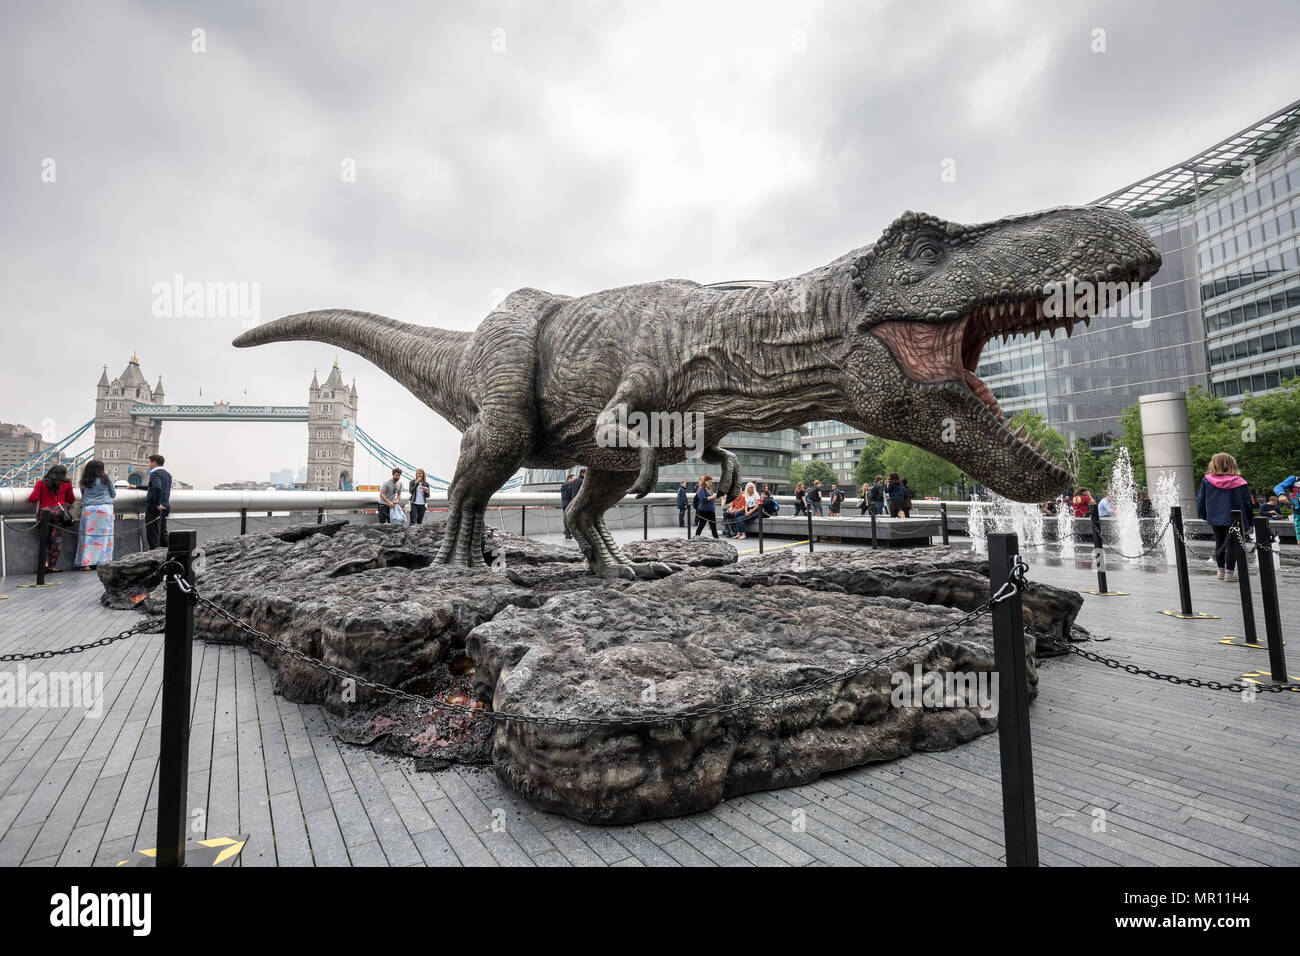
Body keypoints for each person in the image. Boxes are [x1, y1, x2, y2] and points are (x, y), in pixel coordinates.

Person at [1197, 452, 1253, 582]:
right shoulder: (1239, 481)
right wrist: (1249, 520)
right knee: (1233, 545)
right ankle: (1230, 573)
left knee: (1219, 543)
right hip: (1235, 518)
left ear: (1214, 464)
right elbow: (1247, 503)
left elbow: (1201, 500)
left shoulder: (1207, 480)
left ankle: (1220, 571)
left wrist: (1204, 515)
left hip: (1215, 517)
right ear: (1232, 464)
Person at [27, 464, 75, 572]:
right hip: (58, 514)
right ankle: (52, 566)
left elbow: (33, 498)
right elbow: (71, 500)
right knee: (56, 539)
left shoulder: (41, 483)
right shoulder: (67, 484)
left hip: (44, 514)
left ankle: (43, 563)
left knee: (44, 539)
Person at [75, 459, 116, 569]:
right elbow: (113, 494)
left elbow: (83, 495)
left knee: (87, 537)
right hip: (105, 509)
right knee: (104, 537)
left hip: (89, 510)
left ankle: (86, 564)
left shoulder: (84, 481)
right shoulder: (106, 479)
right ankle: (103, 562)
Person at [143, 454, 172, 549]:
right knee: (163, 532)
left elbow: (157, 487)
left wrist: (157, 503)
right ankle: (166, 554)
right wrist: (136, 487)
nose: (149, 464)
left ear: (154, 463)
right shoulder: (167, 474)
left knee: (153, 534)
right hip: (166, 506)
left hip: (155, 507)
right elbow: (154, 487)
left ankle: (153, 556)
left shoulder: (155, 473)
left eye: (149, 462)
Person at [693, 474, 718, 538]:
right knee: (701, 526)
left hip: (711, 511)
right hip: (703, 511)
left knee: (713, 527)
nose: (711, 483)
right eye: (710, 482)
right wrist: (712, 497)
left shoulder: (708, 489)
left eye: (711, 482)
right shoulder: (701, 489)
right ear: (705, 481)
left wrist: (713, 497)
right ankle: (696, 538)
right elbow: (703, 499)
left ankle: (717, 540)